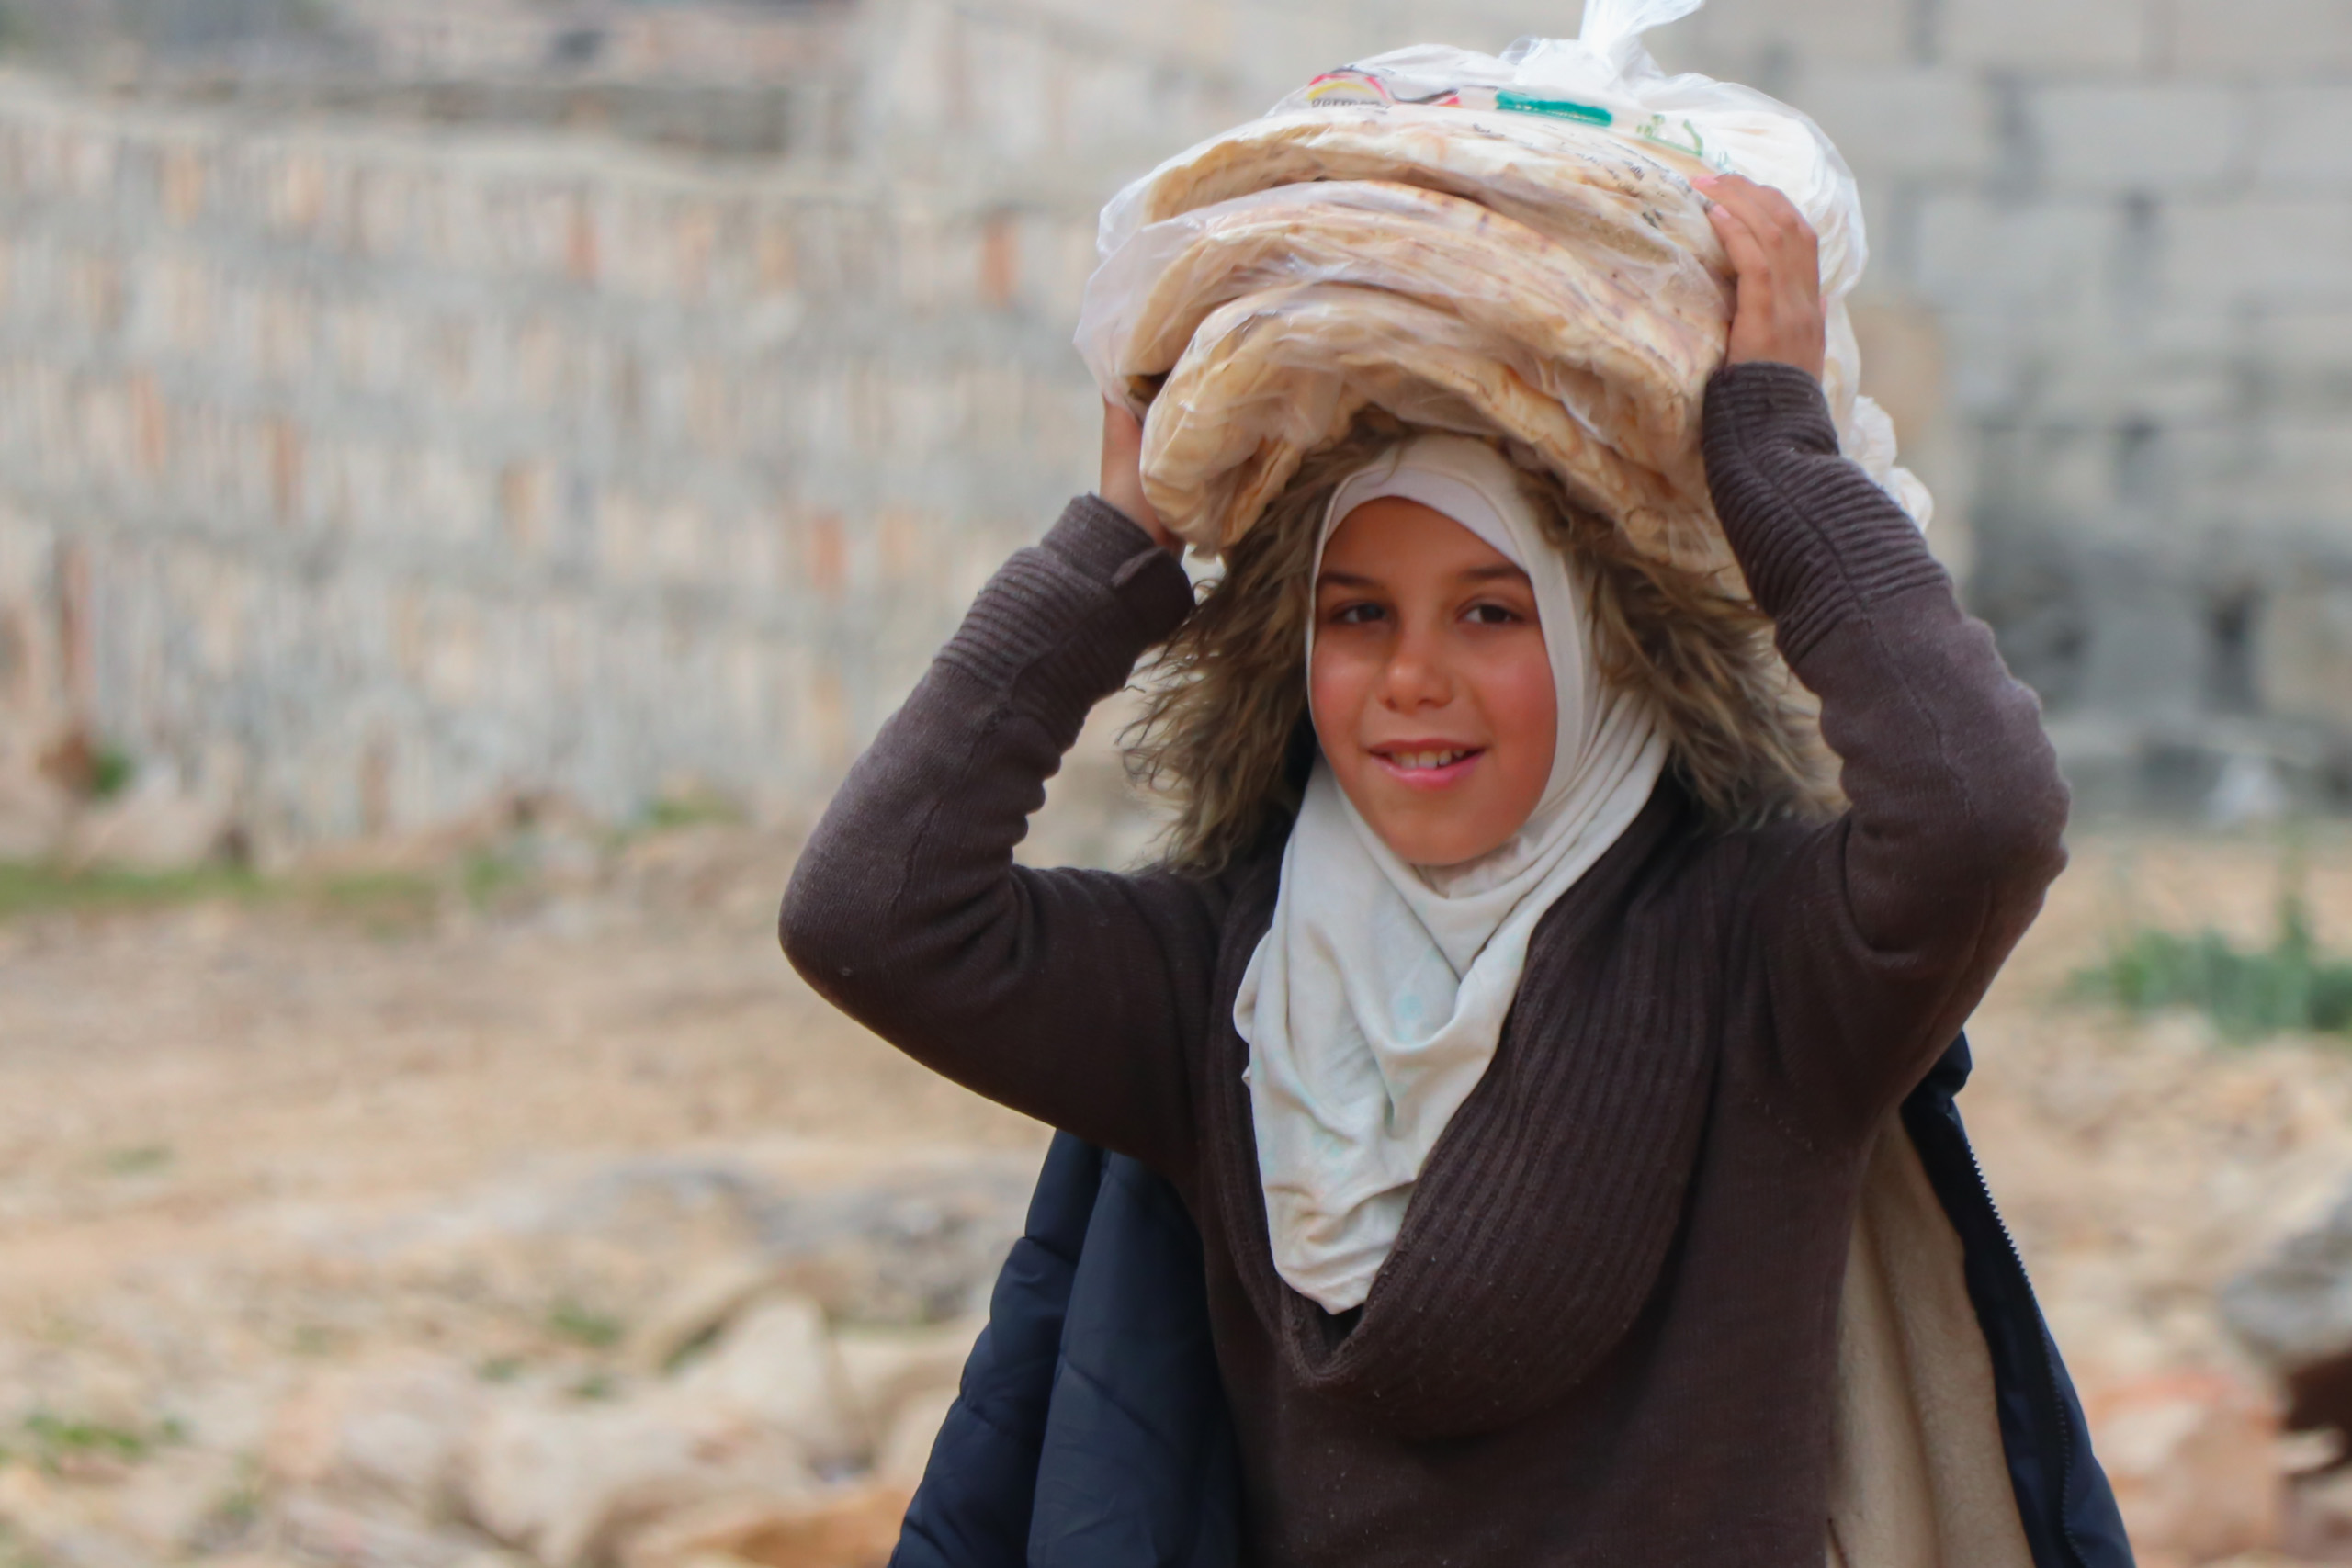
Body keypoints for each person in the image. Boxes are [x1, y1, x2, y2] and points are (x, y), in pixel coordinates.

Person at [783, 175, 2089, 1564]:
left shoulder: (1764, 966)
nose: (1412, 680)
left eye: (1490, 612)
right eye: (1356, 615)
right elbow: (870, 913)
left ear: (1611, 656)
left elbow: (1982, 817)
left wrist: (1774, 458)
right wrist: (1122, 545)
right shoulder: (1215, 983)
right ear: (1292, 654)